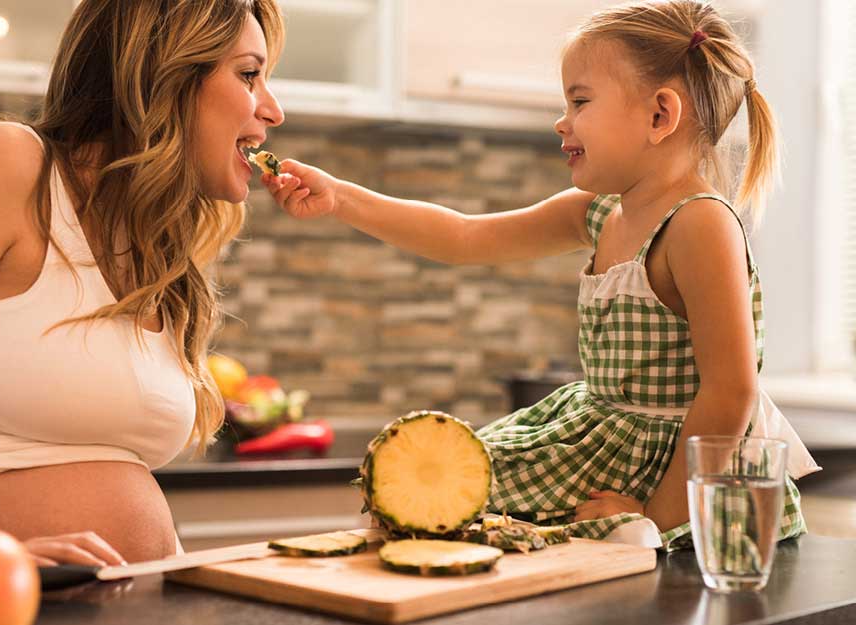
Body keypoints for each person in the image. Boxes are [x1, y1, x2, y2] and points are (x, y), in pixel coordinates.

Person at [263, 0, 819, 548]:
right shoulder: (599, 212)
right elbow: (463, 236)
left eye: (579, 101)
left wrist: (657, 519)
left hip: (684, 475)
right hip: (601, 436)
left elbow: (731, 392)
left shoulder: (701, 223)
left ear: (660, 116)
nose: (562, 121)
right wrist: (340, 197)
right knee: (436, 493)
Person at [0, 0, 285, 565]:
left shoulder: (158, 255)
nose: (272, 111)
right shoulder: (8, 167)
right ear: (162, 75)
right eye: (249, 75)